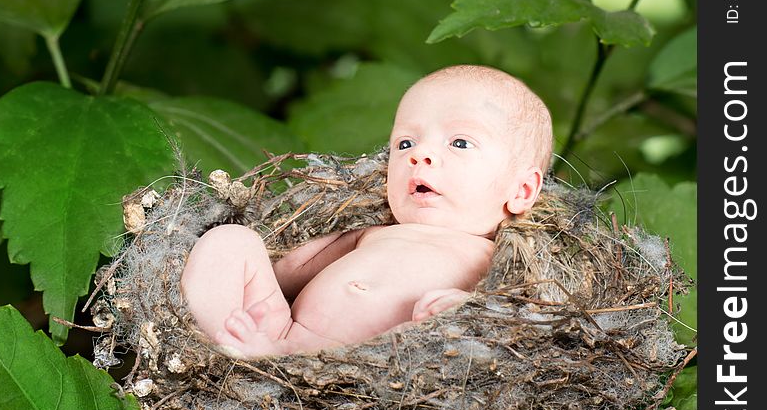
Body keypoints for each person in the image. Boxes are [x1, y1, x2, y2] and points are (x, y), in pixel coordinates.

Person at [181, 65, 553, 357]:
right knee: (232, 242)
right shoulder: (375, 232)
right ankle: (223, 341)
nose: (419, 154)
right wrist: (250, 278)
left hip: (369, 369)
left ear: (521, 191)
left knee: (448, 330)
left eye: (460, 142)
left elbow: (521, 321)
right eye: (405, 141)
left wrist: (466, 310)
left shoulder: (494, 260)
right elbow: (284, 273)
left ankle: (256, 356)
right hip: (281, 334)